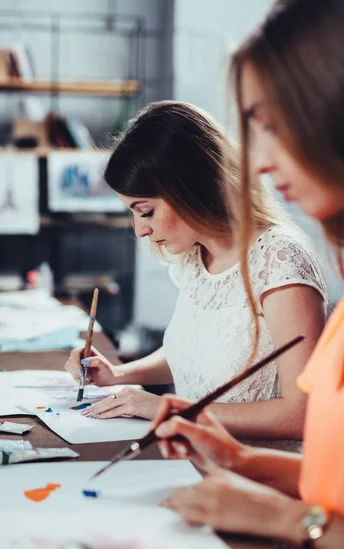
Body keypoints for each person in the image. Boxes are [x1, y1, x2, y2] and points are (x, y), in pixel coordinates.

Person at [153, 0, 344, 549]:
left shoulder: (281, 260)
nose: (257, 161)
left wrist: (287, 519)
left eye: (272, 123)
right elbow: (330, 478)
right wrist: (238, 461)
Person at [65, 100, 327, 451]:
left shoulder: (279, 260)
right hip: (191, 460)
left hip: (258, 482)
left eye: (146, 211)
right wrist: (119, 373)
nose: (140, 230)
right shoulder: (194, 256)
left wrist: (175, 410)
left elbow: (303, 413)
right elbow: (192, 353)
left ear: (190, 188)